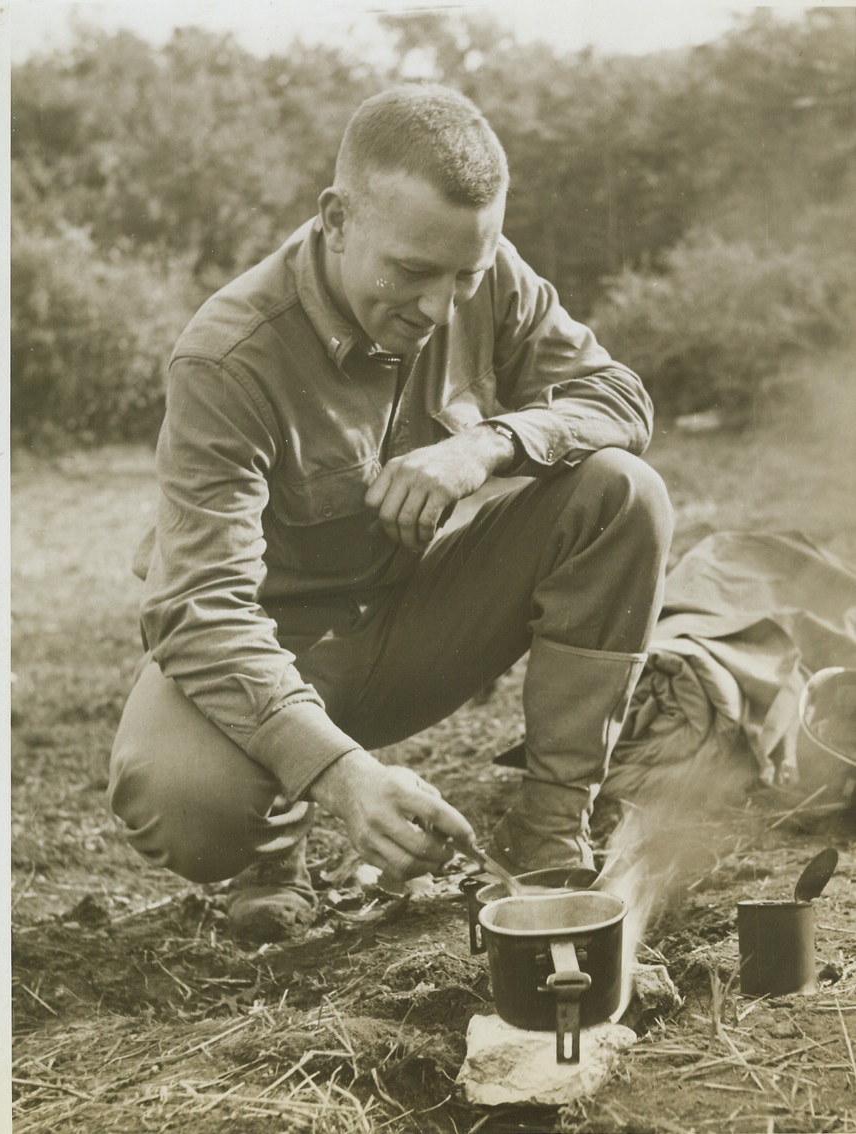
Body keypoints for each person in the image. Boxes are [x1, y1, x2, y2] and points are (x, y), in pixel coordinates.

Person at [109, 83, 673, 943]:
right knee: (181, 802)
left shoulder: (478, 270)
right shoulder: (227, 356)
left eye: (466, 276)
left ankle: (552, 834)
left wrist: (485, 445)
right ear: (336, 220)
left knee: (622, 494)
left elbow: (619, 397)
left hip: (417, 622)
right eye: (411, 273)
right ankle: (272, 846)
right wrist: (343, 777)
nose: (440, 306)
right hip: (277, 642)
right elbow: (199, 612)